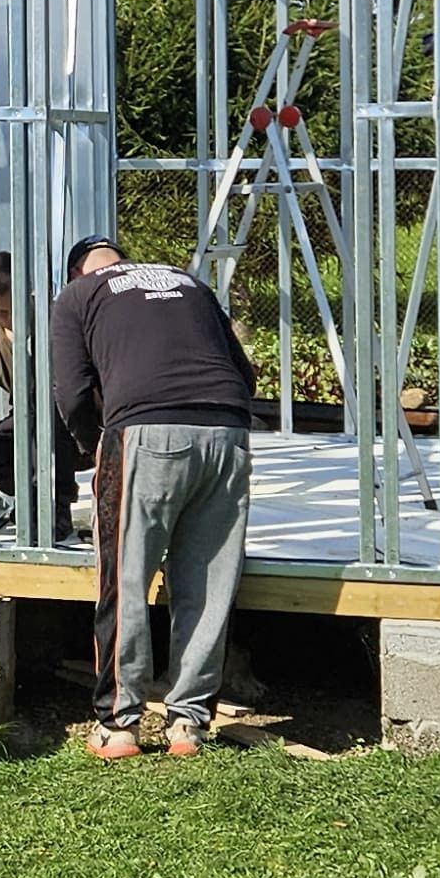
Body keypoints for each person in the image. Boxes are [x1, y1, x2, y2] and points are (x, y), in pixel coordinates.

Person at [50, 236, 256, 758]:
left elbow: (72, 391)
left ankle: (120, 725)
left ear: (78, 272)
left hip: (146, 432)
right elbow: (245, 374)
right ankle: (188, 724)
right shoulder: (189, 282)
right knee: (208, 582)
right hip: (227, 431)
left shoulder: (77, 297)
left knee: (125, 574)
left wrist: (90, 444)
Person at [0, 249, 78, 542]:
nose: (11, 318)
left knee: (52, 415)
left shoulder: (58, 321)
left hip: (74, 424)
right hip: (26, 421)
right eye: (2, 312)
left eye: (17, 307)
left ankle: (59, 508)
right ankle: (33, 499)